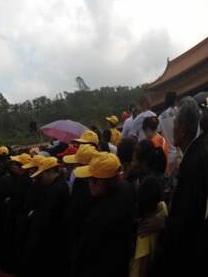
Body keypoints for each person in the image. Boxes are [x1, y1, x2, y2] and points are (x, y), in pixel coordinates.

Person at [139, 97, 207, 277]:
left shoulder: (194, 162)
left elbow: (190, 216)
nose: (172, 128)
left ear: (183, 131)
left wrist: (163, 223)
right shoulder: (197, 152)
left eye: (175, 124)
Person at [72, 152, 135, 277]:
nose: (88, 184)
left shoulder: (101, 213)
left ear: (100, 182)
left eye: (90, 180)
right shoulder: (128, 189)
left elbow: (87, 251)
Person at [22, 157, 70, 277]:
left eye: (42, 175)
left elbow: (48, 216)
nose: (41, 179)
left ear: (49, 172)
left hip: (48, 237)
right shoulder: (59, 185)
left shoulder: (56, 189)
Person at [157, 91, 178, 172]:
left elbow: (159, 134)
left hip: (168, 155)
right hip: (181, 153)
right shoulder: (179, 112)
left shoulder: (160, 117)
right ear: (175, 100)